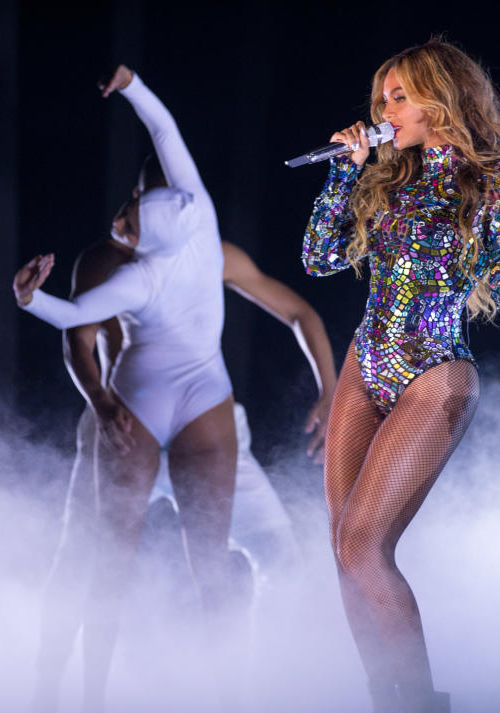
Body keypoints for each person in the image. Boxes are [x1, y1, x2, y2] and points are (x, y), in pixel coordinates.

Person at [301, 39, 500, 713]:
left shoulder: (498, 181)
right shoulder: (386, 173)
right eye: (382, 97)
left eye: (400, 96)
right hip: (364, 358)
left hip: (436, 371)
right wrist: (344, 172)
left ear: (441, 97)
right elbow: (316, 259)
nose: (385, 109)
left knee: (363, 543)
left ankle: (424, 704)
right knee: (343, 548)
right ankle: (386, 699)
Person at [11, 65, 288, 713]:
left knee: (176, 562)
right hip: (158, 407)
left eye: (131, 220)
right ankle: (72, 693)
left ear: (150, 238)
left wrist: (28, 299)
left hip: (164, 408)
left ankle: (216, 693)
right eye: (131, 204)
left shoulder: (146, 276)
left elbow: (72, 317)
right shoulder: (189, 216)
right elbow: (164, 129)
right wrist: (132, 85)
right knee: (122, 560)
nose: (122, 218)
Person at [32, 229, 335, 713]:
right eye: (132, 199)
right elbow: (78, 338)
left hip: (207, 432)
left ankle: (256, 689)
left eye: (144, 200)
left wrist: (329, 390)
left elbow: (301, 311)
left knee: (280, 561)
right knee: (82, 558)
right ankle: (48, 691)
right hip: (126, 426)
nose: (127, 215)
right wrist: (103, 403)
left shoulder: (212, 256)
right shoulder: (105, 261)